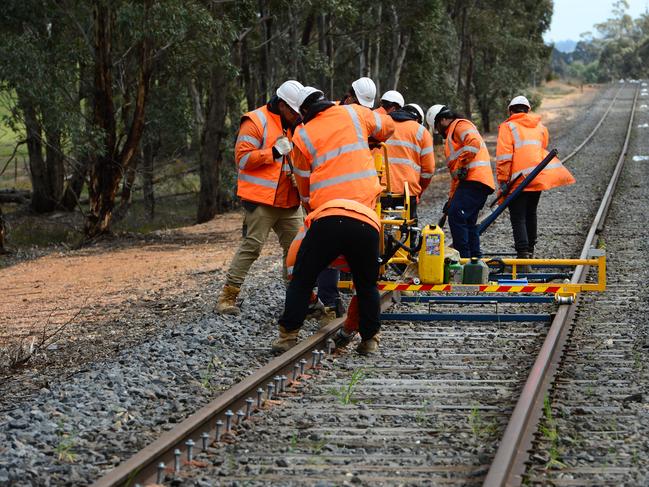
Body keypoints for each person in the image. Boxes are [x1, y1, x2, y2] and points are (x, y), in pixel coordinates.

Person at [271, 86, 395, 355]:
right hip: (365, 218)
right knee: (366, 285)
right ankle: (370, 340)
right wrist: (372, 139)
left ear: (303, 111)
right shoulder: (354, 113)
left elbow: (303, 185)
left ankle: (287, 336)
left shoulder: (302, 134)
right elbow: (387, 126)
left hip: (327, 216)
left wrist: (311, 212)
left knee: (302, 278)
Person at [215, 80, 305, 315]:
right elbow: (242, 160)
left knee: (296, 250)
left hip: (290, 201)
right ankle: (227, 297)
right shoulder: (255, 120)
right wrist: (273, 153)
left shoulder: (296, 124)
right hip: (262, 201)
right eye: (294, 110)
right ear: (282, 104)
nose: (297, 115)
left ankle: (296, 299)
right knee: (252, 247)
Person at [496, 95, 575, 267]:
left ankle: (523, 255)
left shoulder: (507, 126)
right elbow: (543, 144)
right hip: (536, 176)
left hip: (518, 179)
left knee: (518, 217)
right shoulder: (539, 126)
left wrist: (503, 181)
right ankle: (530, 251)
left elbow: (504, 157)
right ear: (528, 110)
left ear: (510, 111)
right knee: (530, 213)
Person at [426, 105, 495, 258]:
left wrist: (462, 163)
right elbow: (456, 176)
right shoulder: (452, 136)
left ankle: (463, 259)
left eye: (437, 127)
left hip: (475, 180)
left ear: (443, 119)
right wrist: (451, 199)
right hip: (473, 182)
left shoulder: (459, 125)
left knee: (457, 216)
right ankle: (474, 261)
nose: (438, 132)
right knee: (468, 222)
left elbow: (474, 142)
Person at [382, 103, 435, 218]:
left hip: (380, 188)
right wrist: (419, 191)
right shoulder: (421, 131)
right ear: (417, 119)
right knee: (407, 230)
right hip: (407, 191)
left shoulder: (382, 123)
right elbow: (429, 170)